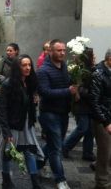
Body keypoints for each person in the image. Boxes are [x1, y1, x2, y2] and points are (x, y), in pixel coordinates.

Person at [37, 39, 77, 189]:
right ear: (51, 52)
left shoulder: (64, 66)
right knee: (56, 148)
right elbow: (45, 92)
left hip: (63, 113)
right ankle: (60, 179)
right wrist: (68, 91)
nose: (62, 53)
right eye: (59, 50)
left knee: (55, 144)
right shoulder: (43, 71)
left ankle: (35, 163)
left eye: (64, 50)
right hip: (49, 114)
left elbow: (68, 83)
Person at [0, 54, 44, 189]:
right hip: (13, 125)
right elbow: (2, 110)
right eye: (24, 65)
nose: (27, 68)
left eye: (29, 65)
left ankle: (35, 183)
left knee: (29, 151)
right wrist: (7, 133)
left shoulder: (30, 83)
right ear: (17, 67)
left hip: (26, 125)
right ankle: (6, 180)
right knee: (8, 153)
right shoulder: (8, 84)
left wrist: (34, 103)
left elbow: (28, 106)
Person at [63, 47, 96, 161]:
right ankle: (65, 147)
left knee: (90, 130)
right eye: (93, 55)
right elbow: (79, 88)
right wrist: (91, 93)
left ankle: (88, 152)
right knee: (82, 128)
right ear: (88, 57)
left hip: (89, 105)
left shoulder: (91, 69)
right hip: (81, 104)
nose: (95, 57)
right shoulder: (82, 71)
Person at [90, 48, 111, 189]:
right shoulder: (98, 73)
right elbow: (95, 102)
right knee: (105, 152)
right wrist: (106, 122)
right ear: (109, 59)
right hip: (103, 119)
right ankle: (102, 184)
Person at [0, 43, 20, 131]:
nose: (8, 52)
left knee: (11, 109)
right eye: (7, 50)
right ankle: (1, 127)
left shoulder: (19, 61)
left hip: (15, 90)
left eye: (10, 50)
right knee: (5, 109)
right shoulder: (2, 60)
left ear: (16, 51)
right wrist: (7, 81)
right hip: (4, 89)